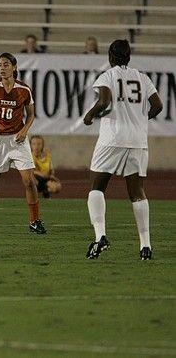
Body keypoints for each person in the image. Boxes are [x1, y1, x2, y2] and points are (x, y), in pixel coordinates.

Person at [82, 39, 163, 261]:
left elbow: (104, 100)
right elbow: (158, 106)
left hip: (112, 138)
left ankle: (101, 237)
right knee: (137, 192)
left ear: (110, 56)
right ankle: (145, 246)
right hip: (138, 140)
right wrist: (140, 120)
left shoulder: (108, 75)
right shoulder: (142, 78)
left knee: (96, 186)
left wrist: (90, 115)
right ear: (128, 56)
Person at [0, 52, 46, 235]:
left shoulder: (24, 90)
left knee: (29, 181)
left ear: (14, 67)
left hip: (17, 140)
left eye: (6, 65)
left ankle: (34, 221)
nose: (2, 68)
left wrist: (24, 130)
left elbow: (31, 115)